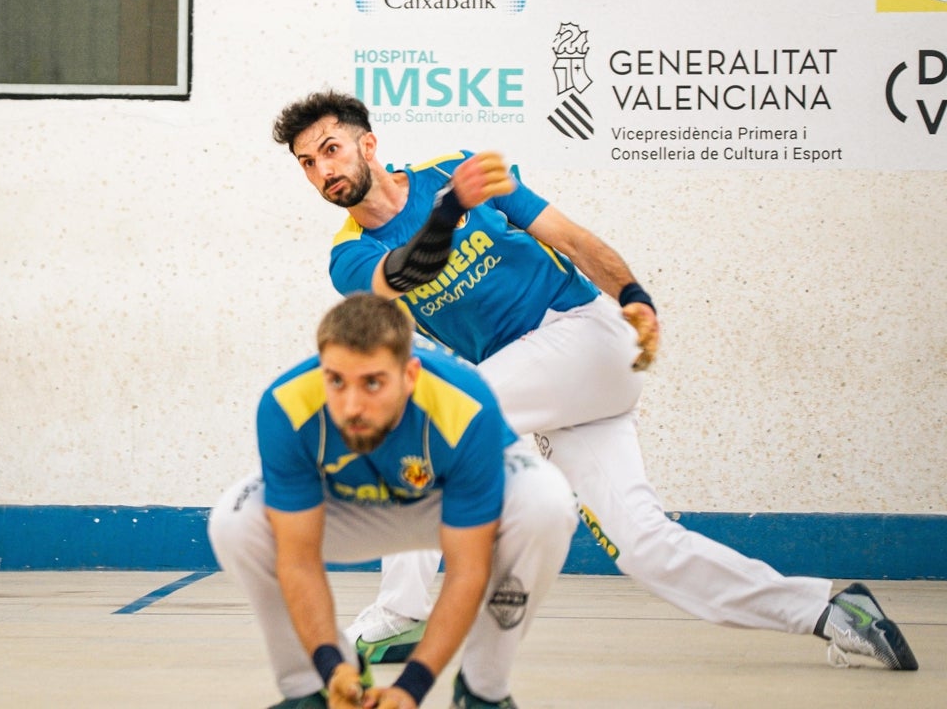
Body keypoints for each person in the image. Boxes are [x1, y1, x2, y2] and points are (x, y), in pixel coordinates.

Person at [269, 89, 919, 673]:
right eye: (307, 163)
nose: (324, 171)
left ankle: (402, 613)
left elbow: (574, 240)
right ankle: (832, 612)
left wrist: (634, 293)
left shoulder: (456, 172)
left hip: (586, 337)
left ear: (368, 145)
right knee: (645, 547)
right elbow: (403, 277)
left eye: (331, 150)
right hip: (560, 396)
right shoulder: (349, 255)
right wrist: (448, 215)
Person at [208, 293, 578, 708]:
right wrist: (333, 664)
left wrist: (411, 687)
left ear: (409, 375)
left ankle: (482, 688)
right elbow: (297, 560)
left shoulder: (467, 402)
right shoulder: (285, 405)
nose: (352, 406)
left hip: (443, 503)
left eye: (373, 382)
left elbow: (467, 571)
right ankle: (312, 687)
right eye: (336, 381)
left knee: (546, 500)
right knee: (233, 520)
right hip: (347, 511)